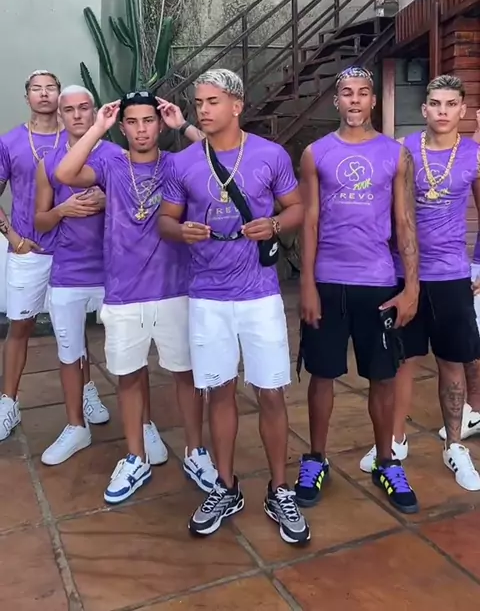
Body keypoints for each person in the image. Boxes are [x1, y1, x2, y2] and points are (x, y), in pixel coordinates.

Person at [159, 68, 310, 545]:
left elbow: (298, 207)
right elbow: (165, 220)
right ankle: (225, 487)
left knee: (271, 393)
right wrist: (180, 230)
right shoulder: (182, 162)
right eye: (199, 102)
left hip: (259, 295)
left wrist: (275, 225)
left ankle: (280, 489)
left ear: (237, 105)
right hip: (207, 296)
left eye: (212, 101)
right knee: (218, 392)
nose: (202, 109)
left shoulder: (269, 154)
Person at [55, 90, 216, 503]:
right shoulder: (110, 162)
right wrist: (98, 127)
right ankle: (135, 457)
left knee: (185, 374)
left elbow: (219, 158)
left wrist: (184, 125)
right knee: (128, 376)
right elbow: (66, 173)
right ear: (122, 127)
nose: (141, 129)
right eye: (132, 122)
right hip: (124, 291)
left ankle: (196, 451)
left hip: (174, 287)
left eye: (149, 121)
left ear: (159, 125)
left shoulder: (176, 163)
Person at [295, 66, 419, 515]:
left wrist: (411, 287)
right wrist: (307, 284)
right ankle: (316, 458)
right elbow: (309, 221)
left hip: (378, 283)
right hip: (329, 281)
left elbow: (404, 222)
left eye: (362, 93)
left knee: (383, 377)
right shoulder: (315, 153)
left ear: (372, 100)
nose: (354, 100)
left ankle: (386, 461)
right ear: (336, 100)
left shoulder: (395, 154)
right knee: (322, 374)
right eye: (346, 93)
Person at [360, 74, 480, 491]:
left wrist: (479, 267)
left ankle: (454, 445)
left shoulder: (474, 156)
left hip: (451, 275)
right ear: (424, 109)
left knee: (452, 362)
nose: (443, 111)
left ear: (462, 110)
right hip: (404, 274)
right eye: (436, 104)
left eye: (451, 104)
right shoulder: (403, 149)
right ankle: (395, 440)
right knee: (401, 361)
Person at [33, 85, 113, 464]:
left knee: (129, 353)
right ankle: (75, 425)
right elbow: (40, 221)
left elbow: (142, 211)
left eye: (84, 108)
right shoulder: (48, 163)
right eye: (70, 110)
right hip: (68, 273)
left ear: (94, 112)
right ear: (60, 115)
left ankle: (143, 426)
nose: (78, 115)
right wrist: (62, 210)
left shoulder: (116, 156)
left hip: (114, 272)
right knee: (69, 352)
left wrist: (109, 199)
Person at [0, 71, 68, 439]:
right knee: (20, 326)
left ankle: (86, 393)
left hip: (71, 251)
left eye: (50, 88)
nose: (44, 94)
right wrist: (14, 237)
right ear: (27, 96)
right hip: (28, 250)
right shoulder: (9, 142)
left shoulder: (76, 139)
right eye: (36, 89)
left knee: (72, 328)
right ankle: (8, 402)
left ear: (60, 94)